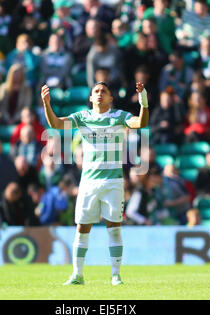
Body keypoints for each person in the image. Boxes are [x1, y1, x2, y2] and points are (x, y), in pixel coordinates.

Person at [41, 79, 149, 285]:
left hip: (113, 182)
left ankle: (115, 275)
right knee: (82, 228)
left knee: (114, 228)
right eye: (96, 91)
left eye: (104, 91)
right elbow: (55, 124)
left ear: (110, 98)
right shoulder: (82, 117)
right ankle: (77, 274)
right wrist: (47, 103)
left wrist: (143, 100)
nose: (99, 93)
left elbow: (141, 123)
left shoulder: (119, 117)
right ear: (91, 98)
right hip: (89, 182)